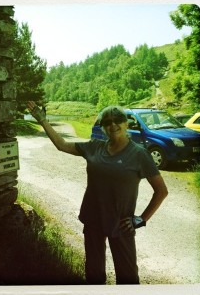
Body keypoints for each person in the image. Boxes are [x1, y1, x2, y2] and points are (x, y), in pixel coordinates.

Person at [27, 101, 168, 285]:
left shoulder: (139, 154)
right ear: (102, 127)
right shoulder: (95, 147)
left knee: (127, 277)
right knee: (94, 273)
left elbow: (161, 191)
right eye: (107, 122)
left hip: (121, 223)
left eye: (118, 120)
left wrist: (141, 219)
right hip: (93, 219)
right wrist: (43, 120)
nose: (113, 125)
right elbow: (61, 145)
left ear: (126, 123)